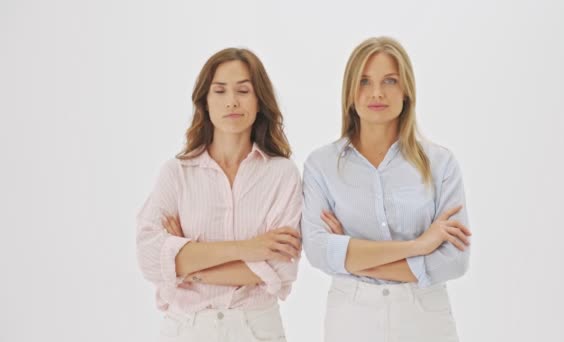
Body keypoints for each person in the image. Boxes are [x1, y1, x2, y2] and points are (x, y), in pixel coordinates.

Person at [301, 36, 472, 342]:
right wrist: (419, 246)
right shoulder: (321, 165)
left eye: (390, 81)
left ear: (406, 89)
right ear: (349, 92)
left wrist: (351, 254)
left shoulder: (440, 164)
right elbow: (318, 251)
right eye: (364, 81)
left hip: (424, 318)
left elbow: (454, 260)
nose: (377, 93)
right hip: (351, 318)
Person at [136, 47, 302, 342]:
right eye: (220, 91)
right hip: (187, 328)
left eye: (243, 90)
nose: (232, 101)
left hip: (257, 329)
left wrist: (184, 266)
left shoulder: (282, 174)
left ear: (259, 100)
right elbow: (150, 259)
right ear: (205, 101)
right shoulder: (176, 173)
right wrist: (248, 249)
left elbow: (281, 268)